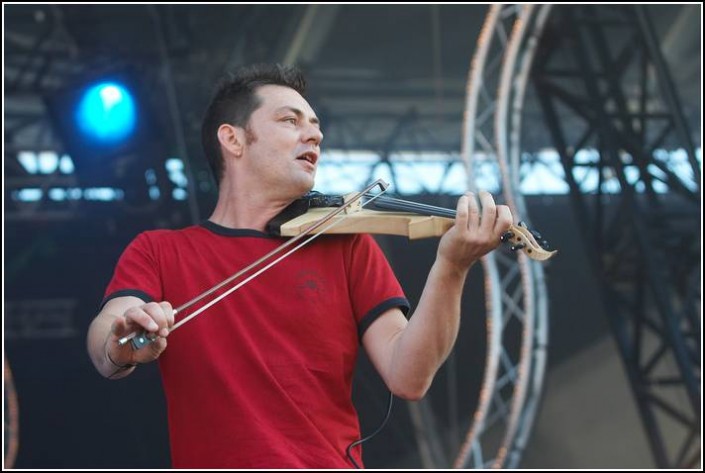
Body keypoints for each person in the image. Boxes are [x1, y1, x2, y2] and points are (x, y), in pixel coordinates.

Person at [86, 63, 512, 468]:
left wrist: (452, 267)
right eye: (291, 121)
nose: (314, 135)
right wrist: (122, 342)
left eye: (315, 125)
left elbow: (409, 376)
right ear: (233, 140)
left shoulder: (346, 246)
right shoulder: (160, 251)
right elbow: (108, 336)